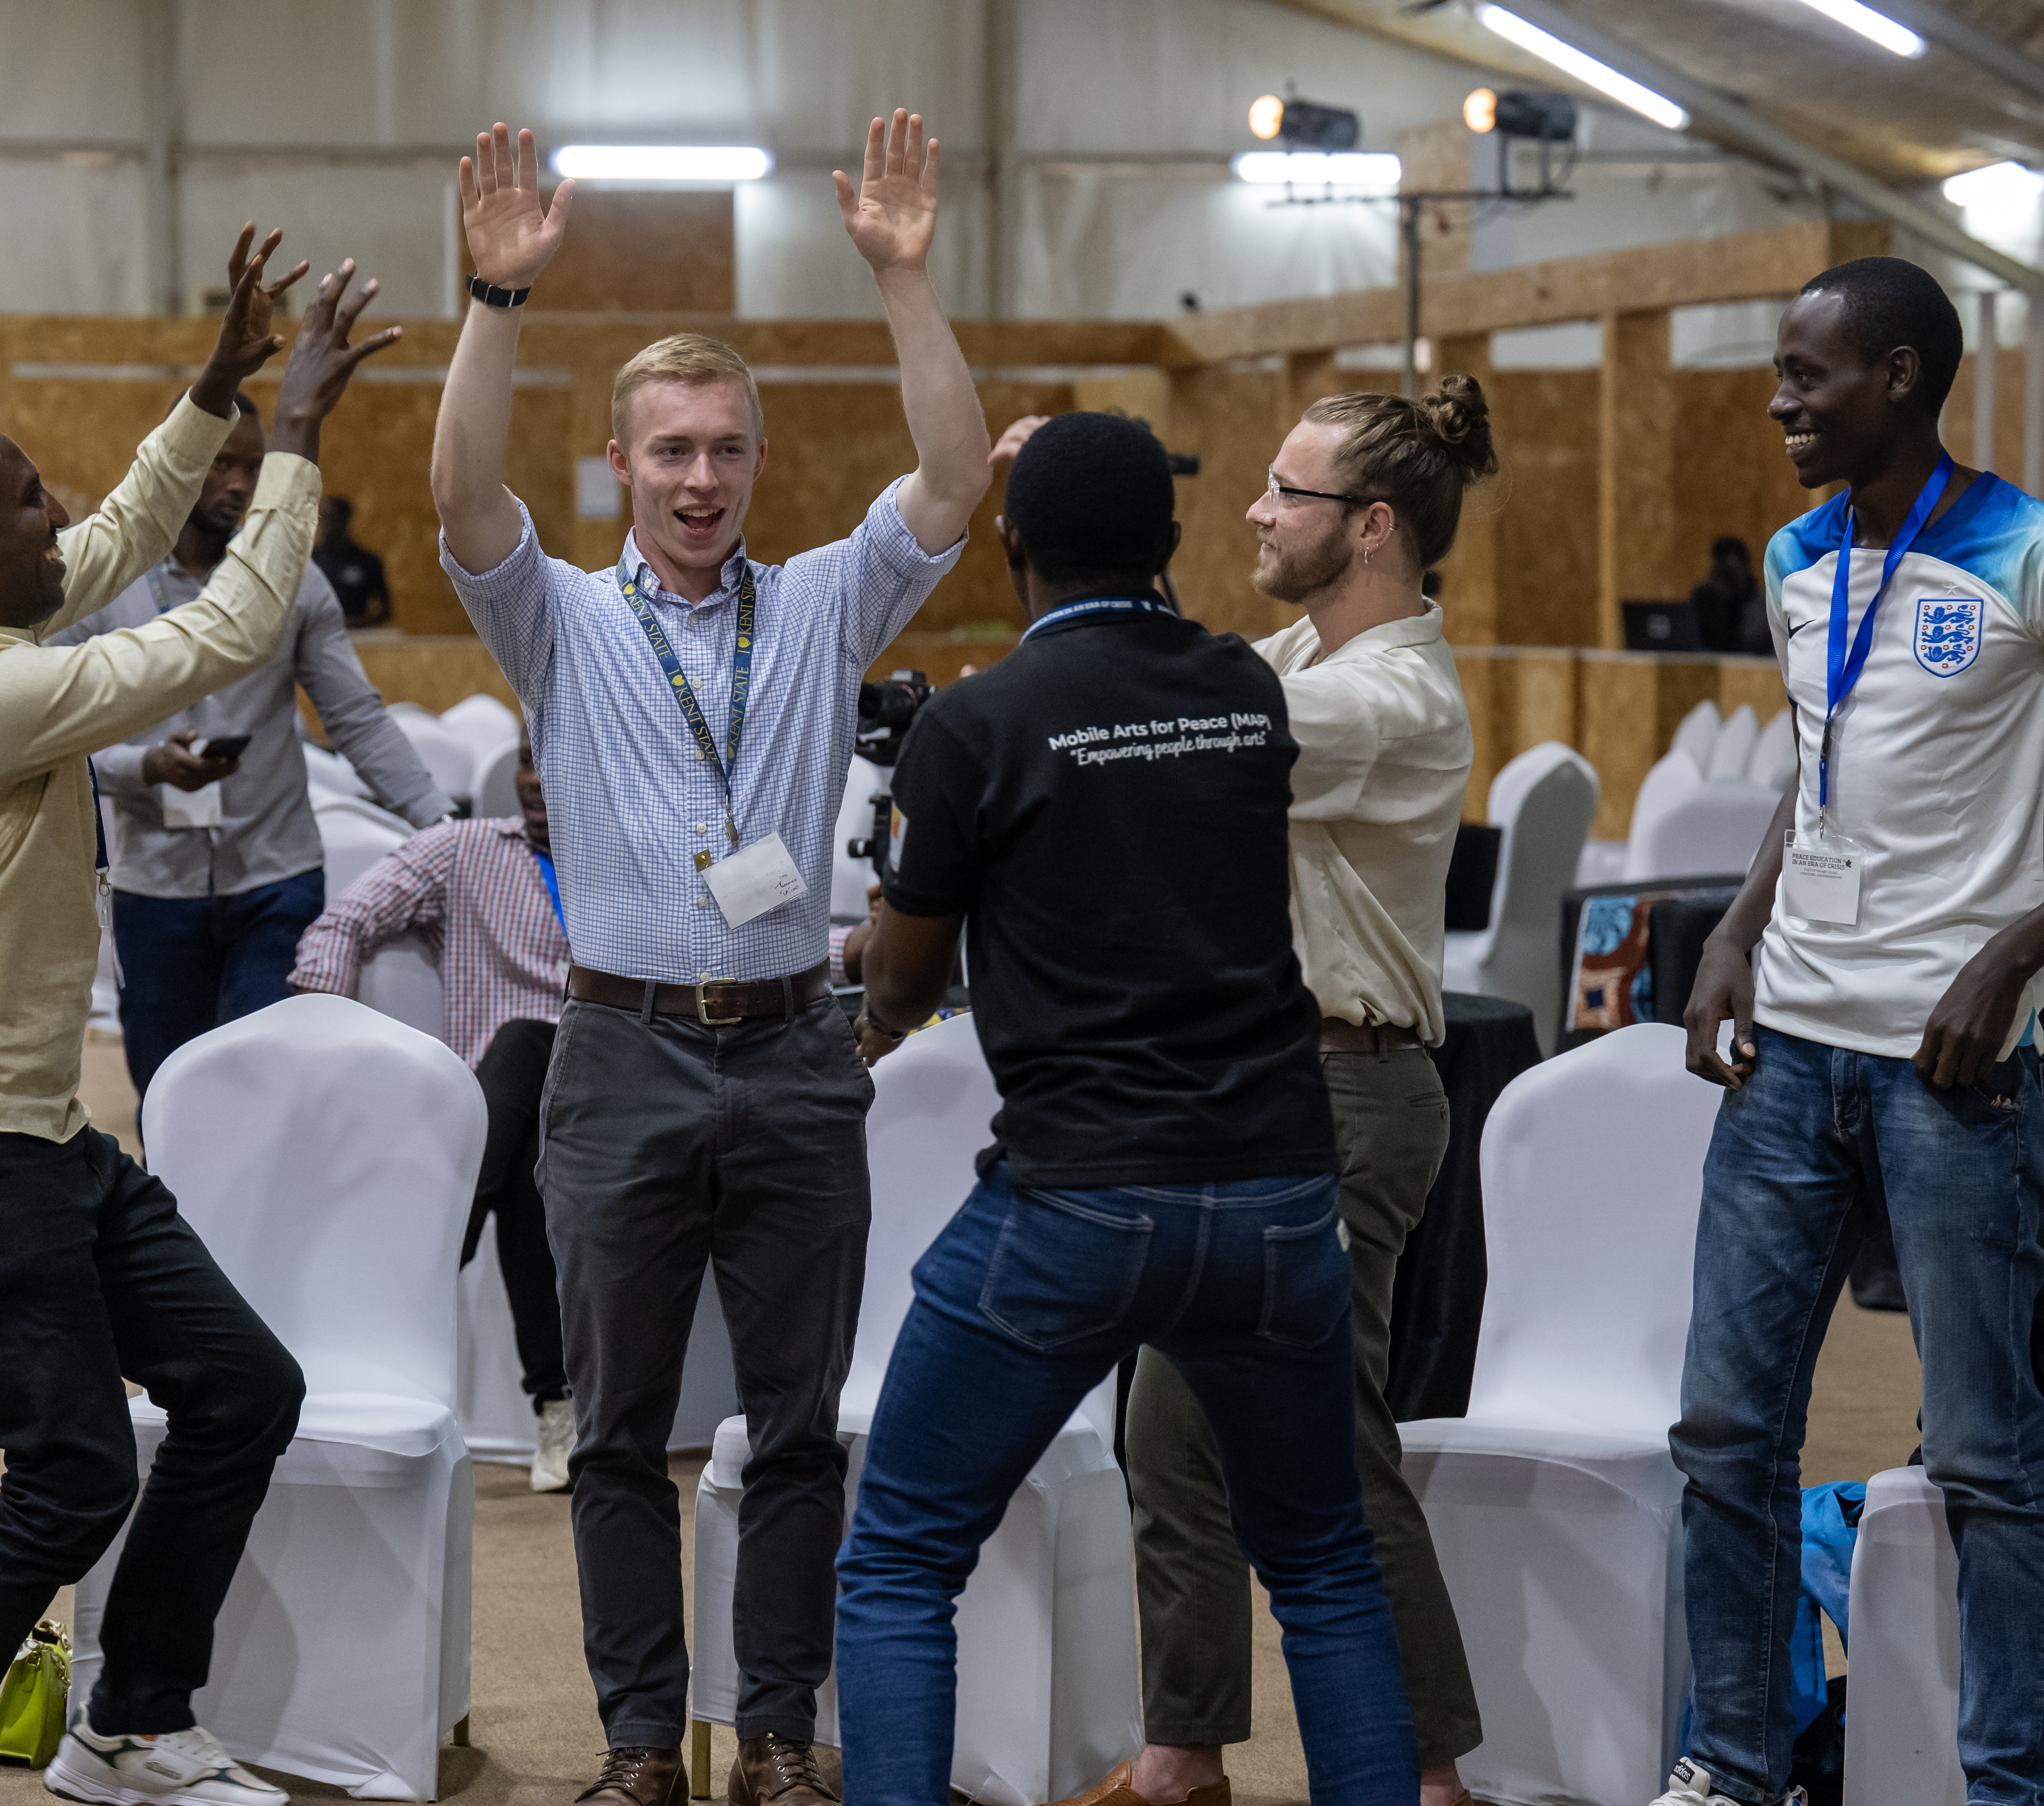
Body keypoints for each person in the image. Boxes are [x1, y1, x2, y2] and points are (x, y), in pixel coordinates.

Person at [431, 113, 989, 1806]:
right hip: (615, 1052)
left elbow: (958, 482)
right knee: (614, 1431)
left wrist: (901, 279)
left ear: (754, 464)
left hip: (795, 1048)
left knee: (797, 1426)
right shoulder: (563, 619)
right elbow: (459, 494)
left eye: (724, 451)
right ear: (622, 465)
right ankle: (631, 1746)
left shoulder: (820, 604)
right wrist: (493, 302)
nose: (696, 479)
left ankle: (774, 1736)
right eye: (668, 450)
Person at [0, 235, 397, 1806]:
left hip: (31, 1125)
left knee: (241, 1389)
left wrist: (217, 383)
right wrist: (296, 440)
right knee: (70, 1466)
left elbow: (124, 524)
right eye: (22, 505)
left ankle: (135, 1719)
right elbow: (213, 637)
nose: (56, 516)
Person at [831, 412, 1417, 1806]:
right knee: (1325, 1566)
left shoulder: (976, 725)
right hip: (1276, 1196)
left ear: (1014, 544)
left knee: (904, 1555)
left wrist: (869, 1011)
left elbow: (910, 983)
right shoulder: (1244, 691)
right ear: (1168, 545)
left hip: (1074, 1204)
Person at [1671, 255, 2044, 1806]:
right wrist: (1737, 928)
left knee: (1985, 1460)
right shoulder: (1794, 555)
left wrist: (2016, 954)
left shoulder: (2025, 549)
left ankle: (2011, 1783)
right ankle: (1734, 1765)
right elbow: (1817, 770)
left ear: (1898, 377)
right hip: (1787, 1062)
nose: (1779, 401)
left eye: (1806, 375)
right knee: (1723, 1431)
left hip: (1954, 1072)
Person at [1118, 379, 1489, 1806]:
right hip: (1257, 1103)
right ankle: (1183, 1758)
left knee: (1328, 1451)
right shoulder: (1298, 648)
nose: (1259, 513)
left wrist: (1094, 562)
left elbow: (1192, 733)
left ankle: (1429, 1777)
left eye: (1289, 492)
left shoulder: (1383, 695)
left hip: (1340, 1105)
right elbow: (1193, 685)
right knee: (1169, 1434)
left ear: (1373, 525)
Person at [50, 405, 445, 1099]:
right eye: (220, 464)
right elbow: (48, 732)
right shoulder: (98, 575)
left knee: (265, 1091)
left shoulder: (290, 574)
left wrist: (445, 830)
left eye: (255, 466)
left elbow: (355, 717)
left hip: (277, 878)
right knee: (170, 1097)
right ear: (176, 464)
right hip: (155, 887)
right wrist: (144, 767)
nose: (240, 484)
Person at [287, 733, 575, 1490]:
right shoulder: (465, 850)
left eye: (559, 758)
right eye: (524, 757)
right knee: (521, 1111)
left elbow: (750, 937)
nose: (536, 780)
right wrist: (323, 1031)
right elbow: (346, 922)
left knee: (530, 1047)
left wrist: (874, 949)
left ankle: (406, 1287)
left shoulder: (638, 860)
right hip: (495, 1111)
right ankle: (559, 1407)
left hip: (601, 1096)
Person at [317, 494, 391, 628]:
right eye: (322, 517)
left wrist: (353, 624)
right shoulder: (311, 562)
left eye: (332, 517)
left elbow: (385, 611)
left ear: (346, 519)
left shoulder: (368, 561)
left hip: (357, 636)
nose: (325, 523)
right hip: (317, 634)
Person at [1691, 534, 1767, 656]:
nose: (1724, 583)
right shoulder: (1704, 599)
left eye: (1730, 576)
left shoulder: (1763, 607)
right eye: (1719, 575)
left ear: (1745, 569)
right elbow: (1700, 643)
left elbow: (1751, 646)